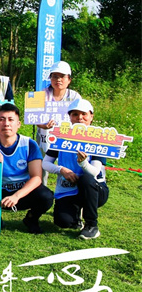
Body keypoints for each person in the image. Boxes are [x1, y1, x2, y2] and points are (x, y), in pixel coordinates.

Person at [0, 103, 53, 234]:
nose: (6, 124)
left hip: (22, 192)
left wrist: (16, 196)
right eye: (1, 119)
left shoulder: (29, 144)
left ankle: (31, 219)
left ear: (18, 124)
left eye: (11, 119)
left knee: (46, 196)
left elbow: (36, 178)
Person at [42, 99, 108, 240]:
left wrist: (83, 163)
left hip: (94, 189)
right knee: (63, 221)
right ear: (70, 117)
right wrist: (61, 170)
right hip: (68, 188)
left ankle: (92, 225)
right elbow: (45, 163)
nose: (80, 118)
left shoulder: (98, 140)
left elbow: (95, 172)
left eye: (84, 114)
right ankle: (76, 217)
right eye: (75, 114)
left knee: (86, 179)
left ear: (91, 116)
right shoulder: (61, 138)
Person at [36, 61, 81, 154]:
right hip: (45, 140)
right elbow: (34, 118)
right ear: (50, 78)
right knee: (45, 160)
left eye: (62, 76)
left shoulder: (75, 97)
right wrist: (43, 125)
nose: (58, 80)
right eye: (55, 76)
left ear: (69, 80)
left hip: (67, 141)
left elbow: (80, 119)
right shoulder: (41, 95)